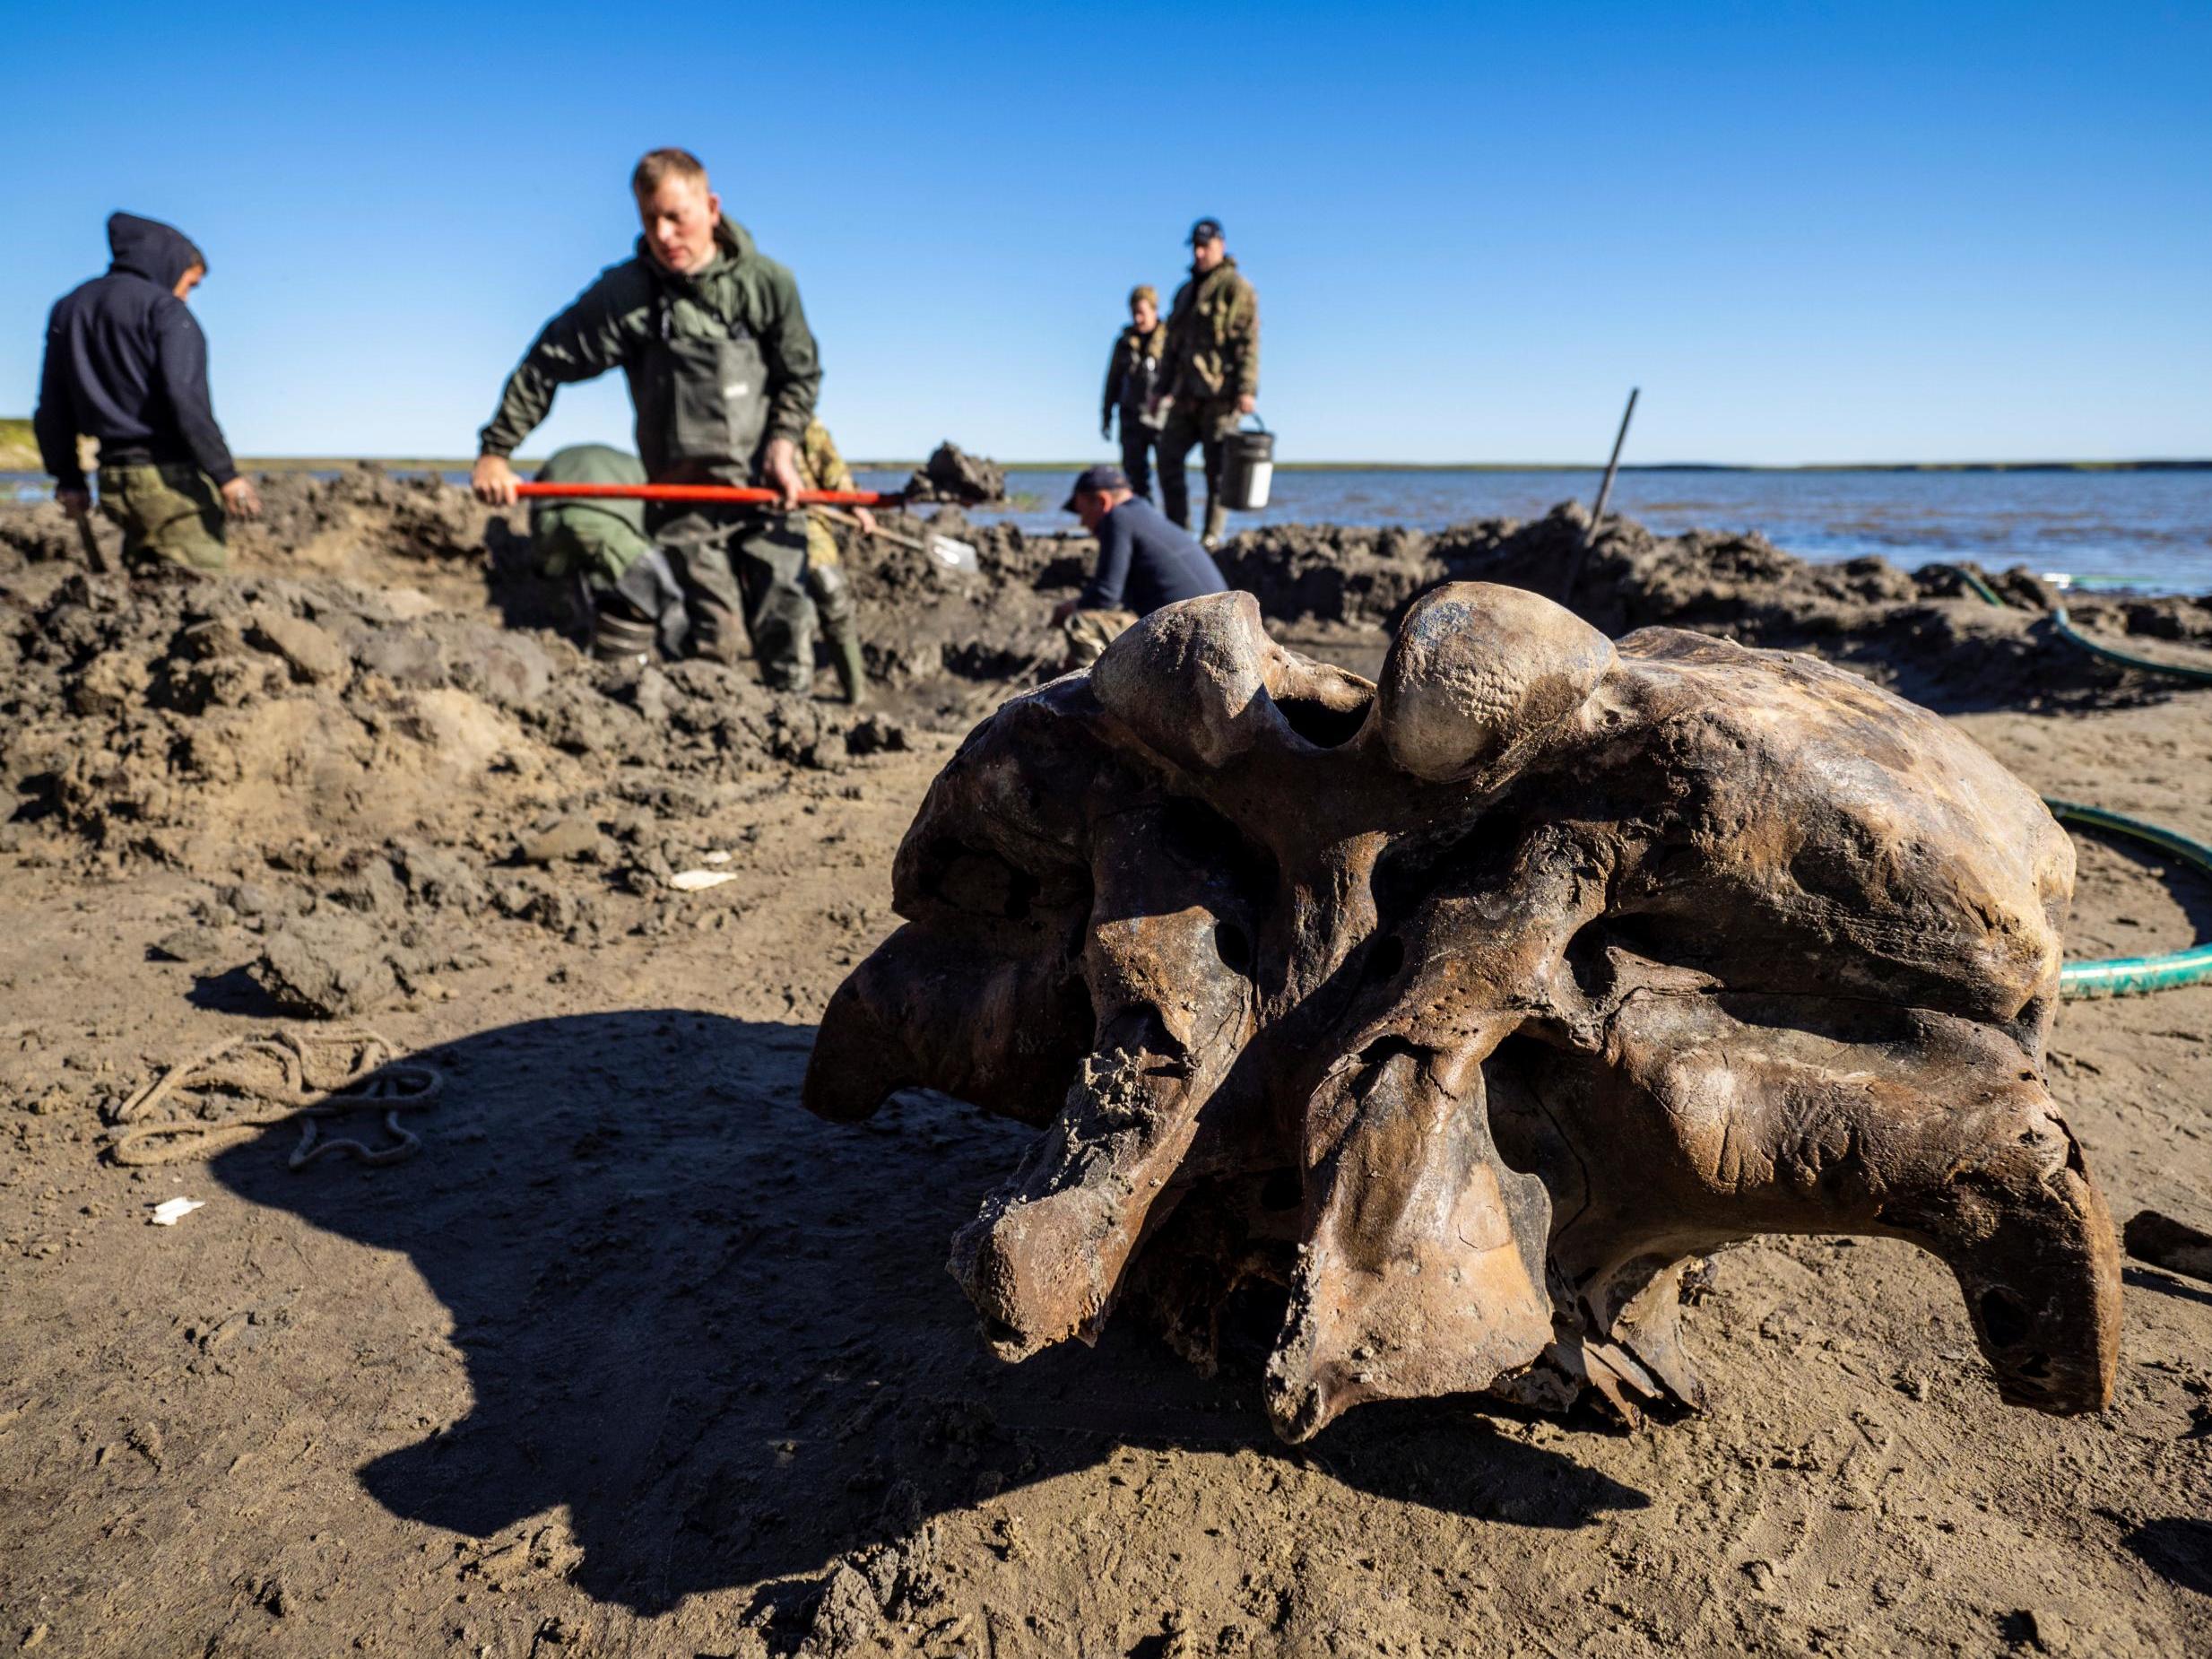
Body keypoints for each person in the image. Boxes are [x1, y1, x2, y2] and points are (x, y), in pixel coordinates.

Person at [472, 148, 822, 691]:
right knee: (713, 636)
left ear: (711, 207)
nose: (662, 234)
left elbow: (799, 376)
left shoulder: (769, 285)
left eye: (676, 216)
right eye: (648, 219)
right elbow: (547, 362)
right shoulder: (627, 295)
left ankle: (799, 738)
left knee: (787, 621)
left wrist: (783, 445)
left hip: (765, 492)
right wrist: (497, 450)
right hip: (685, 501)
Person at [34, 212, 262, 572]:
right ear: (169, 264)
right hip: (167, 481)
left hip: (111, 481)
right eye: (190, 284)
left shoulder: (70, 308)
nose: (186, 297)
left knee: (143, 586)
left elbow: (52, 406)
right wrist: (226, 476)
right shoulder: (165, 311)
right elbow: (186, 399)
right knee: (201, 592)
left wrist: (69, 477)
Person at [1053, 463, 1227, 668]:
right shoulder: (1142, 514)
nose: (1082, 523)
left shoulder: (1118, 518)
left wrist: (1068, 609)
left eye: (1083, 513)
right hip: (1218, 632)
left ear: (1102, 502)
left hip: (1195, 642)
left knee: (1080, 623)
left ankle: (1096, 694)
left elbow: (1105, 595)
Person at [1158, 217, 1260, 549]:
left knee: (1218, 471)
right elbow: (1171, 346)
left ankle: (1211, 537)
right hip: (1186, 395)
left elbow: (1248, 342)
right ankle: (1178, 531)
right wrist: (1161, 388)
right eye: (1196, 247)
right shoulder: (1184, 293)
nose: (1200, 253)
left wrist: (1246, 389)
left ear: (1221, 246)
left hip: (1221, 395)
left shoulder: (1236, 287)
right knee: (1167, 455)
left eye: (1207, 247)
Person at [794, 418, 873, 704]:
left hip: (808, 524)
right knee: (791, 616)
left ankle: (856, 695)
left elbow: (829, 463)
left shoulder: (797, 416)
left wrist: (854, 504)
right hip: (761, 527)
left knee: (834, 601)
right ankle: (794, 702)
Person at [1101, 284, 1169, 500]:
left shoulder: (1170, 340)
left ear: (1154, 310)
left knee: (1169, 475)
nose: (1138, 319)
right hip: (1130, 418)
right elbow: (1112, 381)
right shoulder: (1123, 343)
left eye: (1142, 313)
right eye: (1134, 313)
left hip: (1162, 418)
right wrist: (1106, 415)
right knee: (1134, 478)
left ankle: (1173, 529)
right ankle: (1143, 523)